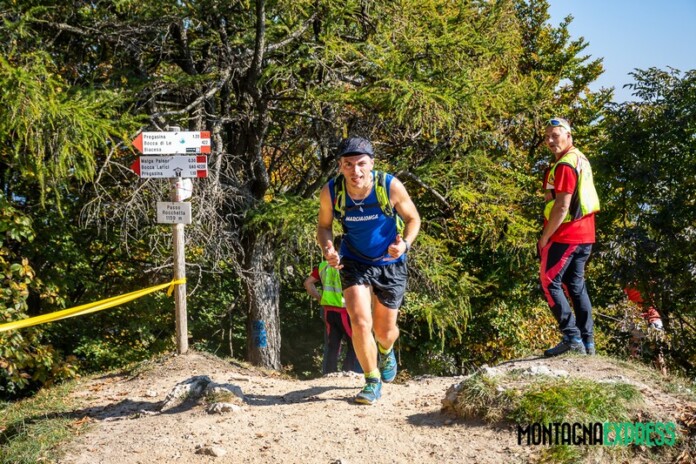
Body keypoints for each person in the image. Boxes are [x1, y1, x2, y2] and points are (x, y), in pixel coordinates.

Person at [316, 136, 421, 404]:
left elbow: (413, 219)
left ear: (372, 163)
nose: (356, 171)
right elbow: (324, 226)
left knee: (384, 332)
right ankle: (372, 380)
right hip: (354, 260)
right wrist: (328, 248)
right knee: (360, 321)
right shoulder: (332, 191)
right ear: (340, 166)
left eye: (361, 163)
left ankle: (386, 350)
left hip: (390, 262)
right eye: (348, 164)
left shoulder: (389, 186)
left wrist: (405, 245)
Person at [538, 117, 600, 357]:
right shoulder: (580, 158)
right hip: (586, 234)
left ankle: (572, 337)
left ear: (568, 136)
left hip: (566, 234)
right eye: (547, 137)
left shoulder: (565, 164)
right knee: (575, 285)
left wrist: (545, 237)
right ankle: (588, 342)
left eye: (555, 135)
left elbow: (562, 206)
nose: (550, 140)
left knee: (549, 281)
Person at [304, 236, 362, 374]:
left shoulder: (323, 266)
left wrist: (320, 298)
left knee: (333, 344)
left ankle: (330, 373)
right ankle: (349, 372)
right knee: (354, 343)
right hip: (345, 310)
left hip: (328, 311)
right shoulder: (349, 265)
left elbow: (307, 283)